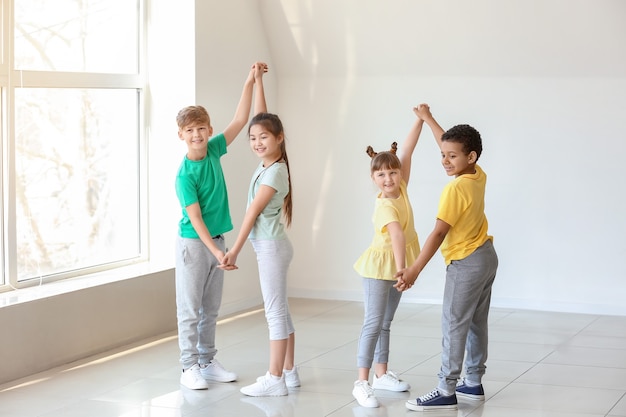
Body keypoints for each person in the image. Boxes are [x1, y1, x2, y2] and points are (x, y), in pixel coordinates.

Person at [395, 104, 498, 411]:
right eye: (443, 155)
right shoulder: (477, 174)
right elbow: (451, 143)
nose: (445, 161)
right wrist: (428, 120)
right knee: (476, 323)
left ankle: (446, 389)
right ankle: (473, 382)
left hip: (466, 261)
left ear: (471, 157)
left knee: (454, 324)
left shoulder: (455, 190)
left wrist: (413, 270)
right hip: (486, 257)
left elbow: (438, 234)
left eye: (452, 156)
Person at [174, 62, 268, 390]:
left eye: (201, 128)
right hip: (194, 245)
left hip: (217, 241)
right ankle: (188, 367)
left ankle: (207, 360)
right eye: (190, 131)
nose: (197, 135)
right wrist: (215, 250)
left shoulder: (214, 149)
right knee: (190, 308)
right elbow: (195, 218)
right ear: (181, 136)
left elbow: (241, 120)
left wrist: (250, 81)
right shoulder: (185, 176)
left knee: (210, 307)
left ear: (209, 130)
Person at [220, 111, 299, 397]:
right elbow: (263, 116)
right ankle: (289, 371)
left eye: (264, 137)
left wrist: (234, 251)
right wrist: (257, 80)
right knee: (281, 311)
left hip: (271, 247)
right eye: (252, 138)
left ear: (279, 138)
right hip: (272, 245)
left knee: (275, 313)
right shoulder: (269, 164)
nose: (257, 142)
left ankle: (275, 378)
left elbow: (253, 212)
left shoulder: (276, 170)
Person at [350, 107, 424, 408]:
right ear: (373, 177)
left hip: (395, 265)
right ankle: (362, 382)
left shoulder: (402, 188)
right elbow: (396, 236)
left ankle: (382, 375)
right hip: (381, 267)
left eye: (392, 172)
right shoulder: (384, 206)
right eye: (381, 174)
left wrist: (419, 120)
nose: (388, 178)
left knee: (386, 321)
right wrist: (402, 269)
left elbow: (407, 150)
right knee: (373, 322)